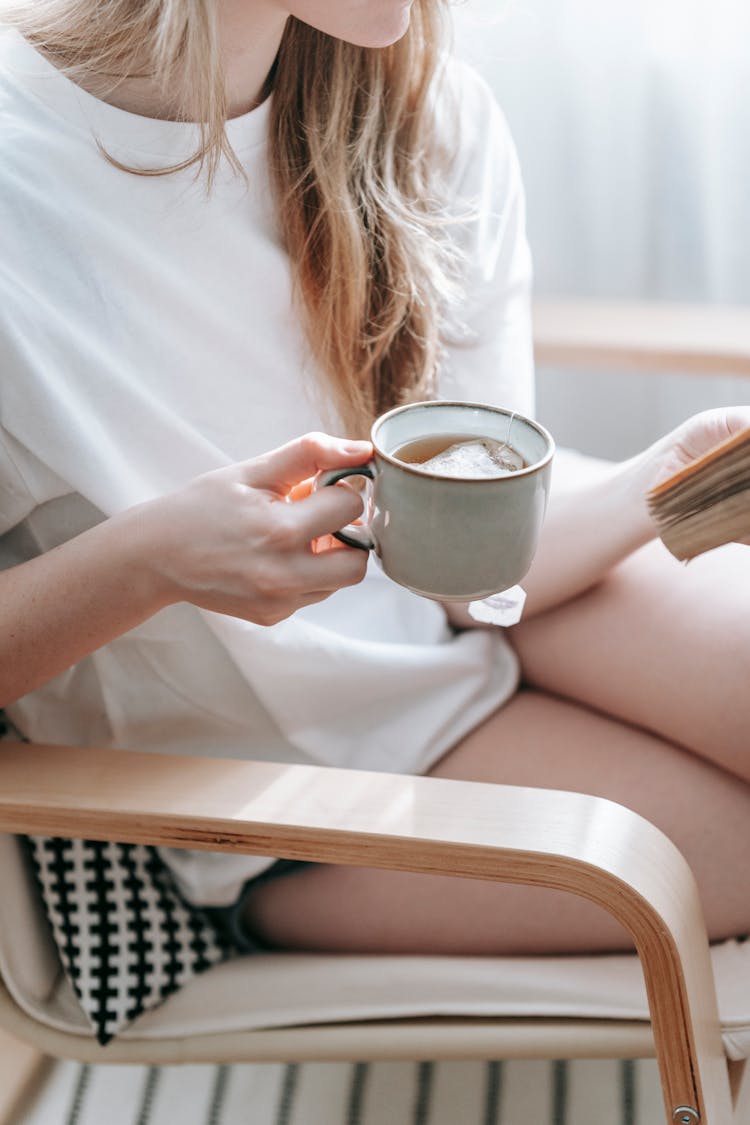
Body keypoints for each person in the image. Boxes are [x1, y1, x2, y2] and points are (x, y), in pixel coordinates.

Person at [1, 0, 749, 972]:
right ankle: (251, 928)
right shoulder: (24, 180)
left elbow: (468, 578)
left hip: (466, 629)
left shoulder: (421, 113)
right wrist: (151, 563)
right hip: (267, 802)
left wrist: (662, 482)